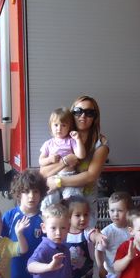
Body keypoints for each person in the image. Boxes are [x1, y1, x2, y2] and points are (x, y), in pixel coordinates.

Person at [40, 95, 109, 227]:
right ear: (71, 114)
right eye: (78, 111)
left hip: (85, 206)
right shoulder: (60, 138)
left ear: (95, 117)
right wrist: (64, 162)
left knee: (83, 238)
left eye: (89, 113)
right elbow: (43, 172)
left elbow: (90, 176)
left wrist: (58, 182)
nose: (83, 116)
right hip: (58, 206)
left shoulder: (101, 143)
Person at [39, 108, 87, 210]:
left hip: (70, 177)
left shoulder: (71, 141)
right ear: (51, 126)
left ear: (69, 127)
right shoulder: (48, 144)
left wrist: (78, 139)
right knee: (49, 202)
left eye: (63, 125)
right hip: (53, 178)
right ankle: (47, 218)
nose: (59, 128)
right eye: (56, 125)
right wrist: (50, 159)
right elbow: (41, 161)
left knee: (72, 201)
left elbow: (81, 155)